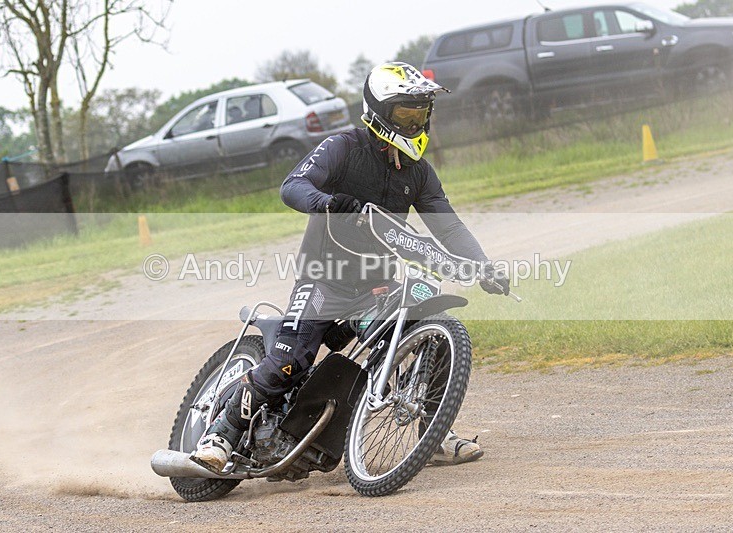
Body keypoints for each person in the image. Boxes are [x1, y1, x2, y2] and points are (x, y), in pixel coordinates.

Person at [192, 62, 510, 473]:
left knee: (427, 332)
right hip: (322, 279)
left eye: (420, 113)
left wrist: (483, 266)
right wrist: (324, 202)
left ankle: (432, 435)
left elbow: (448, 227)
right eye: (404, 113)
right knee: (289, 362)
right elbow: (293, 186)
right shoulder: (342, 147)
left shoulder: (419, 173)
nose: (414, 122)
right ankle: (221, 432)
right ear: (378, 111)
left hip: (373, 288)